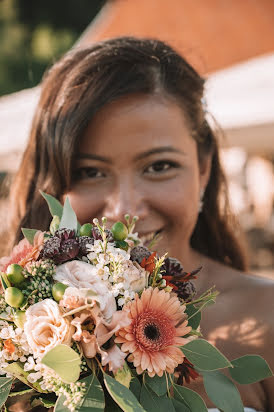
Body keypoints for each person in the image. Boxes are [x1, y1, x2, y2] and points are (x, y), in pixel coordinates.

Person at [6, 37, 274, 411]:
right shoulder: (12, 338)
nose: (124, 210)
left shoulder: (268, 319)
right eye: (90, 171)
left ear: (204, 169)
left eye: (159, 166)